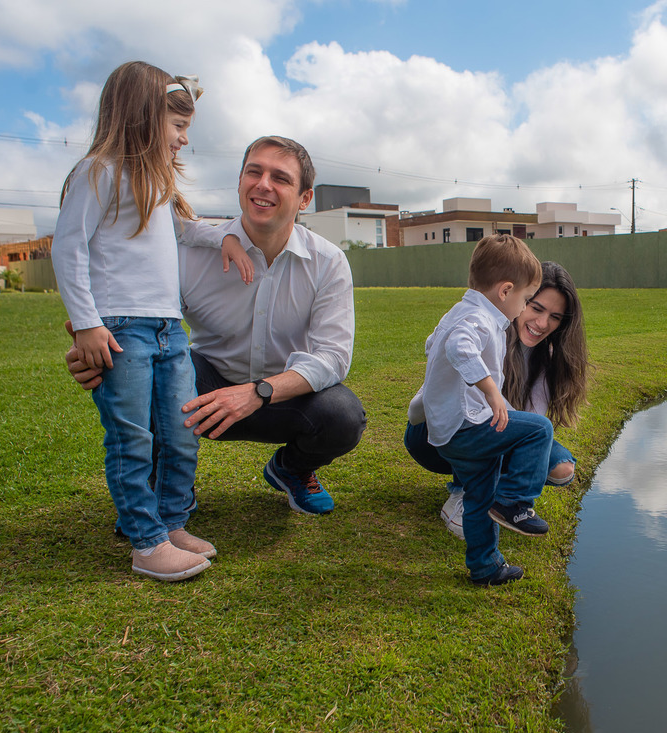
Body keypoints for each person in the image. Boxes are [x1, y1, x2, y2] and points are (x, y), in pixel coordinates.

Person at [67, 135, 366, 518]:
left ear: (304, 198)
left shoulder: (328, 261)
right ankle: (170, 486)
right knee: (147, 371)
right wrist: (92, 347)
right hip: (202, 391)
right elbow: (138, 321)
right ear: (240, 182)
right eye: (254, 172)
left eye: (280, 178)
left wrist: (257, 392)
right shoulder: (190, 255)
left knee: (342, 415)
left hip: (283, 397)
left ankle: (291, 469)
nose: (263, 185)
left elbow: (333, 358)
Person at [53, 62, 252, 582]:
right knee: (132, 438)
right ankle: (146, 542)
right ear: (142, 115)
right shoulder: (97, 172)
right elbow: (69, 248)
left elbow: (184, 230)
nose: (183, 139)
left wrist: (226, 236)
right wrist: (86, 323)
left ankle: (170, 523)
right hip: (121, 329)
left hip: (169, 329)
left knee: (182, 433)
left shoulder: (156, 183)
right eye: (178, 125)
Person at [404, 261, 588, 539]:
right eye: (536, 308)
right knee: (487, 422)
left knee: (561, 468)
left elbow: (529, 421)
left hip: (496, 430)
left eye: (555, 316)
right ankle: (463, 493)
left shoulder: (548, 359)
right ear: (516, 297)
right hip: (434, 431)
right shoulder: (485, 329)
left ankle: (500, 497)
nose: (542, 324)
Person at [413, 234, 552, 586]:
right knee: (539, 429)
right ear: (505, 291)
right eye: (525, 299)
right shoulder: (478, 318)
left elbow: (433, 343)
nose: (524, 307)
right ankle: (514, 501)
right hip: (466, 426)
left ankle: (486, 567)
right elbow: (460, 348)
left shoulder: (460, 311)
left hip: (451, 428)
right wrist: (491, 390)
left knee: (479, 497)